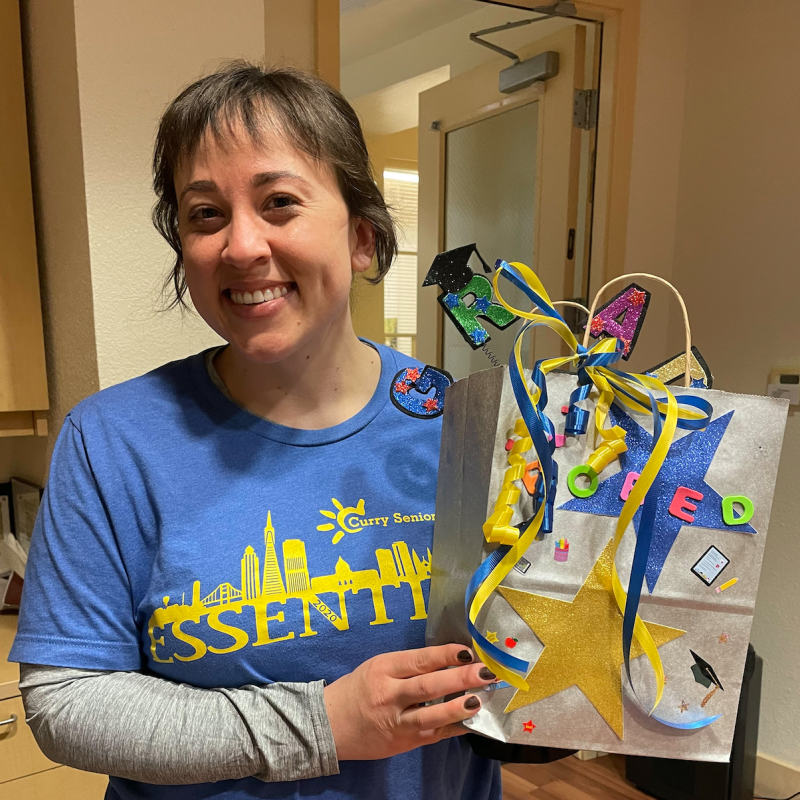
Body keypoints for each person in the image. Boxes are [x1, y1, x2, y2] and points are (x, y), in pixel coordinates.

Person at [10, 63, 502, 800]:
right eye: (205, 214)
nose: (241, 247)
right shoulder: (113, 441)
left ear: (363, 238)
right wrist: (320, 724)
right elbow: (68, 702)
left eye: (279, 203)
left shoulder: (465, 422)